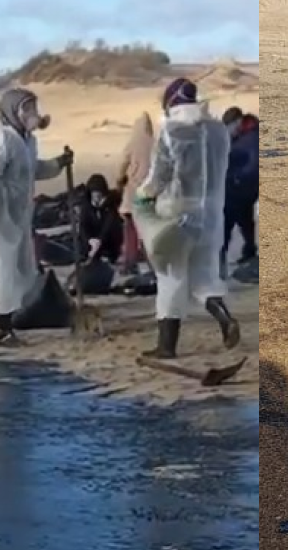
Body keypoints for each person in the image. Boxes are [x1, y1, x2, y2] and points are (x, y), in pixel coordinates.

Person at [133, 78, 238, 359]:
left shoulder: (172, 131)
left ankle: (166, 346)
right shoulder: (218, 130)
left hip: (178, 213)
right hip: (213, 215)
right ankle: (224, 317)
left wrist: (142, 196)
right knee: (203, 274)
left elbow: (160, 175)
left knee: (171, 276)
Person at [0, 87, 72, 346]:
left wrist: (59, 163)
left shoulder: (28, 141)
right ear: (13, 112)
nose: (32, 113)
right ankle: (4, 331)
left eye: (33, 107)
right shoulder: (4, 140)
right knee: (4, 273)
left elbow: (34, 170)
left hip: (19, 217)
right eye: (27, 108)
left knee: (22, 273)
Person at [111, 112, 155, 283]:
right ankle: (153, 262)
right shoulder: (155, 144)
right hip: (150, 193)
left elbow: (123, 163)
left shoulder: (133, 144)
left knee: (130, 229)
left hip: (134, 190)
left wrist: (118, 181)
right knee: (147, 230)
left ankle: (130, 261)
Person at [221, 108, 259, 268]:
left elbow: (253, 164)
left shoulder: (250, 137)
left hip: (240, 187)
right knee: (245, 220)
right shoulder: (246, 135)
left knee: (227, 221)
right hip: (244, 187)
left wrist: (237, 178)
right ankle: (249, 251)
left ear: (237, 122)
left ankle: (220, 258)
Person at [77, 173, 123, 266]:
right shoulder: (86, 204)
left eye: (99, 195)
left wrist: (99, 240)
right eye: (94, 195)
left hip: (107, 239)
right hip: (92, 239)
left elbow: (109, 225)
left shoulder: (111, 203)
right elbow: (83, 225)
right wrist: (90, 240)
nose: (97, 198)